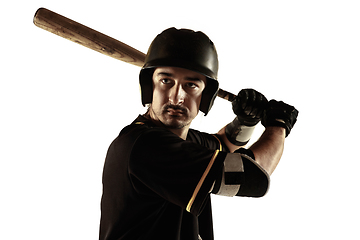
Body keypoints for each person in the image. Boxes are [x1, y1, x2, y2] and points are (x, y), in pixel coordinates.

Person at [99, 27, 298, 240]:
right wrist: (278, 126)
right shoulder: (145, 145)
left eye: (191, 85)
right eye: (166, 81)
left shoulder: (182, 141)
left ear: (206, 96)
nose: (177, 97)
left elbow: (225, 143)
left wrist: (246, 121)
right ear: (150, 86)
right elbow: (250, 177)